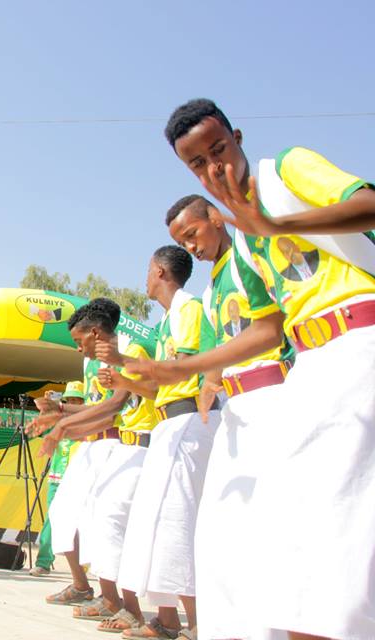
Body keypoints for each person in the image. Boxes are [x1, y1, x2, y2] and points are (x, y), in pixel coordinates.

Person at [154, 98, 375, 640]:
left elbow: (369, 205)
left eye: (219, 150)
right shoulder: (248, 237)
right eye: (197, 164)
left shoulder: (286, 172)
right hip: (312, 366)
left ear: (238, 138)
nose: (214, 167)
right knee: (291, 528)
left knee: (337, 522)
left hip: (358, 340)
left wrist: (277, 224)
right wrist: (188, 368)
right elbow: (268, 328)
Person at [122, 192, 290, 640]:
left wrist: (189, 376)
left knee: (260, 522)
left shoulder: (248, 256)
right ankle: (217, 625)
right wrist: (208, 383)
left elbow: (271, 328)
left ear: (216, 217)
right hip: (233, 407)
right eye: (183, 242)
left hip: (268, 397)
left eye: (192, 234)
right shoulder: (215, 287)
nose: (192, 247)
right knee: (219, 528)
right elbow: (217, 353)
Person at [101, 246, 217, 640]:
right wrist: (126, 378)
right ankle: (168, 620)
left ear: (160, 271)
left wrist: (123, 361)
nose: (146, 278)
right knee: (159, 524)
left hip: (189, 419)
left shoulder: (188, 309)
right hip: (170, 421)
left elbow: (180, 370)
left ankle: (197, 623)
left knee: (179, 521)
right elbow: (157, 389)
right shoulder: (168, 319)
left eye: (148, 270)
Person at [28, 301, 121, 608]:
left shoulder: (120, 356)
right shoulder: (89, 362)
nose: (79, 349)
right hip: (91, 444)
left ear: (96, 331)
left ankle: (112, 598)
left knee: (103, 522)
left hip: (114, 444)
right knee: (61, 513)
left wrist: (62, 422)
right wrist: (58, 412)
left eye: (80, 341)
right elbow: (93, 407)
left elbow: (111, 410)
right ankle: (81, 586)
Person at [30, 381, 84, 577]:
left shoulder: (90, 421)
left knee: (83, 520)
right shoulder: (58, 420)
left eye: (77, 400)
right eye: (69, 400)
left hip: (80, 478)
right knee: (53, 518)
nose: (73, 404)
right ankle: (43, 562)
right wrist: (47, 408)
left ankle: (84, 565)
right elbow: (42, 430)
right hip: (57, 478)